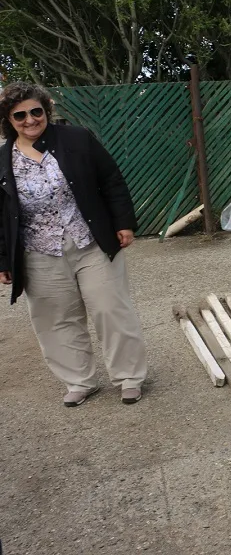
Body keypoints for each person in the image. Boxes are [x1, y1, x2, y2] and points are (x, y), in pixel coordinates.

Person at [0, 82, 148, 406]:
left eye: (35, 111)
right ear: (9, 120)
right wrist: (3, 260)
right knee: (54, 319)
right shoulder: (3, 160)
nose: (29, 120)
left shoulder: (76, 139)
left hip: (89, 241)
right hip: (38, 251)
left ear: (46, 111)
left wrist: (123, 223)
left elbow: (111, 179)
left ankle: (129, 377)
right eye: (19, 115)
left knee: (111, 309)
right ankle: (80, 381)